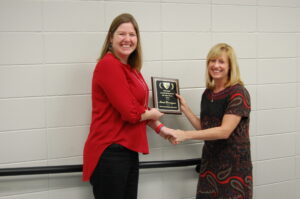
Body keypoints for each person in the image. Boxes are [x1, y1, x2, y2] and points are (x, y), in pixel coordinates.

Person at [82, 13, 173, 199]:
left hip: (127, 150)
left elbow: (140, 108)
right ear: (110, 38)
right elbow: (131, 114)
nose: (127, 39)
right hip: (110, 151)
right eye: (121, 34)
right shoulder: (108, 65)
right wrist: (153, 114)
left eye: (132, 35)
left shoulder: (132, 70)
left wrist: (161, 129)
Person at [171, 43, 253, 199]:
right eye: (212, 61)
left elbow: (224, 131)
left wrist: (185, 135)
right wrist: (186, 109)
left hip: (233, 168)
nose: (216, 65)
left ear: (230, 66)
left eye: (221, 62)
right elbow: (205, 128)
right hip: (209, 164)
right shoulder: (208, 93)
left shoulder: (238, 93)